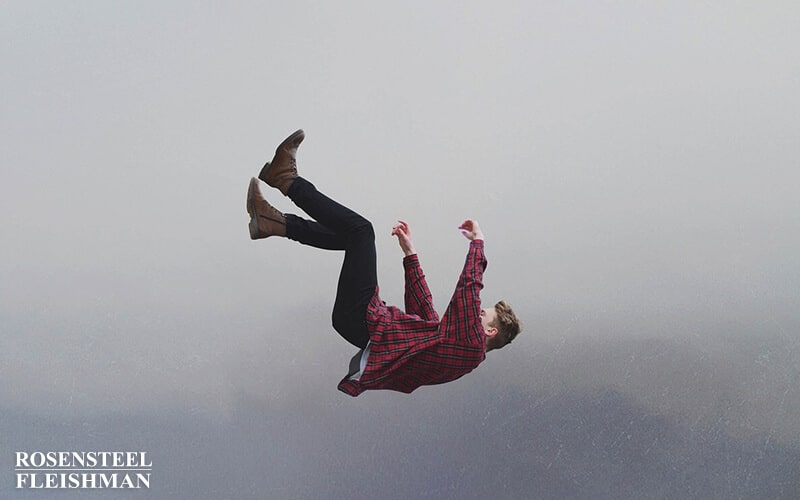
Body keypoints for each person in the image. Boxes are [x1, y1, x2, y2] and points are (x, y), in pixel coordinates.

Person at [247, 130, 521, 396]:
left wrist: (478, 244)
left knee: (361, 231)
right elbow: (426, 318)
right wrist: (411, 255)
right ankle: (273, 222)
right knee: (350, 237)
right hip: (360, 323)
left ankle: (286, 180)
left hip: (365, 321)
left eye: (483, 314)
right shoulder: (458, 350)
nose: (477, 312)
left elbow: (468, 291)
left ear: (490, 331)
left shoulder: (471, 345)